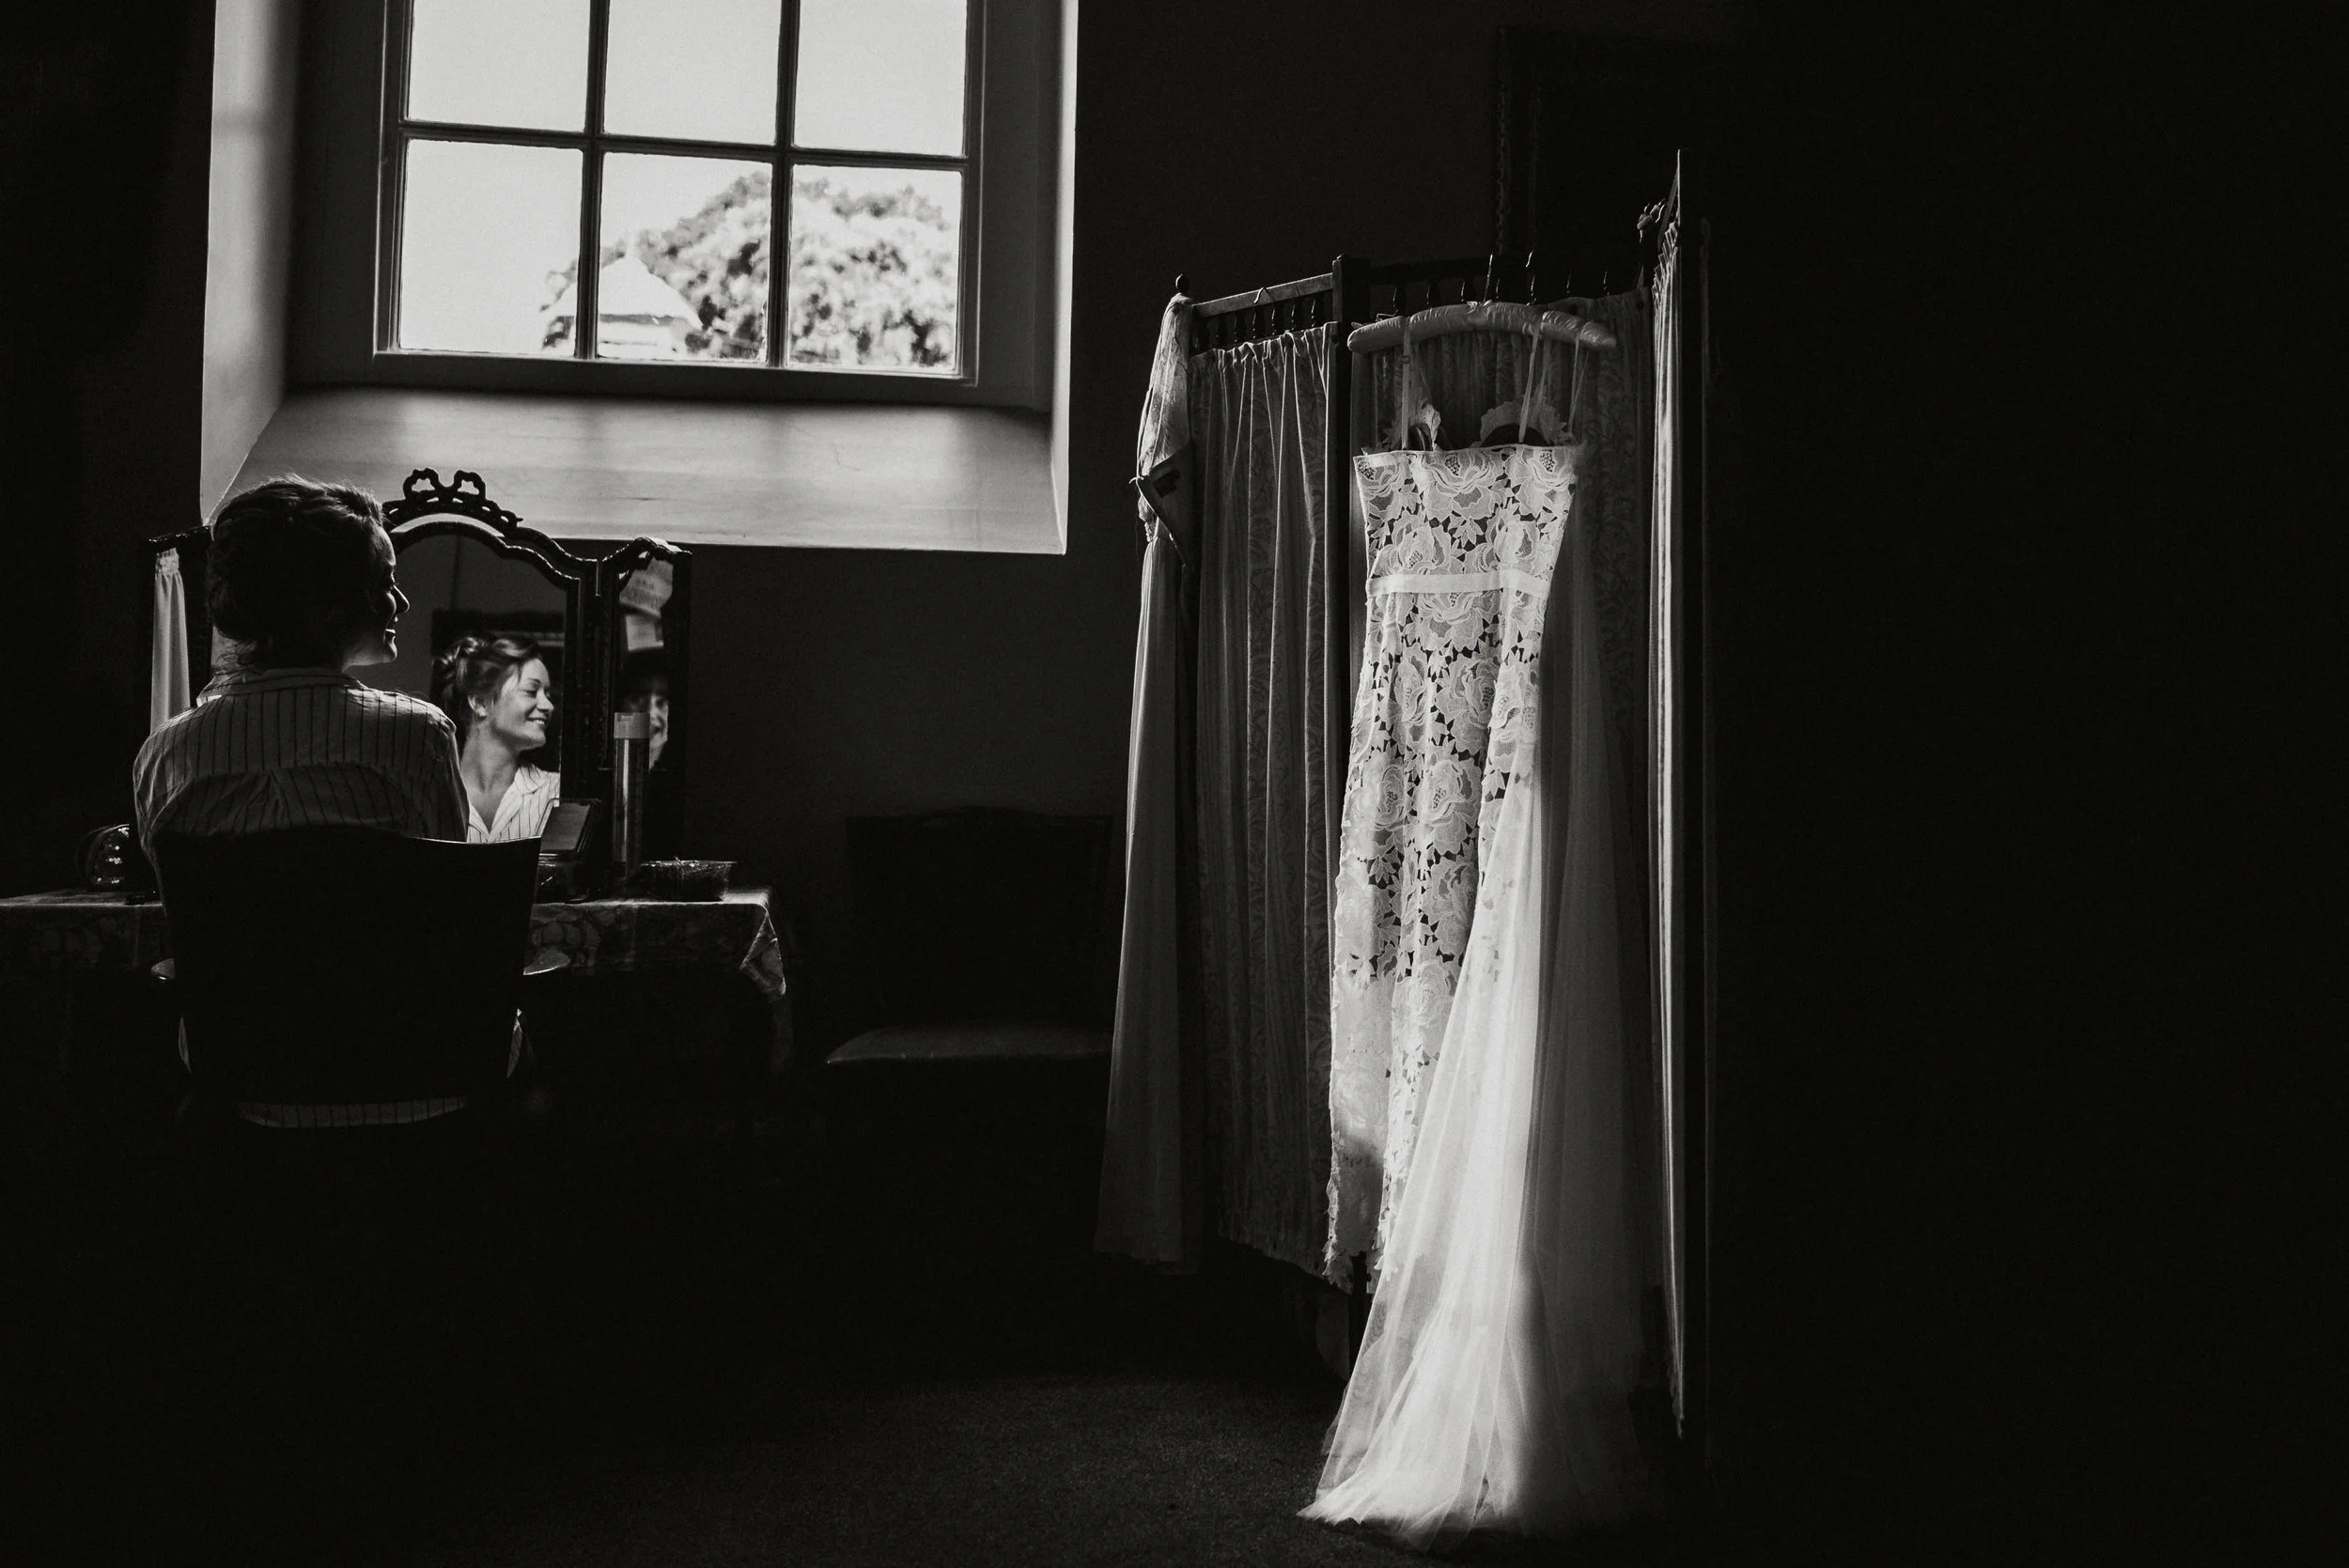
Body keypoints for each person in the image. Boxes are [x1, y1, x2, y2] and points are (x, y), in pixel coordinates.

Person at [134, 475, 463, 848]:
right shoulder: (420, 735)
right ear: (331, 602)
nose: (401, 602)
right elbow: (450, 888)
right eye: (386, 582)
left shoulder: (165, 753)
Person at [433, 634, 560, 843]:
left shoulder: (556, 794)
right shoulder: (433, 796)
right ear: (481, 703)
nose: (548, 706)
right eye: (531, 691)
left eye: (548, 694)